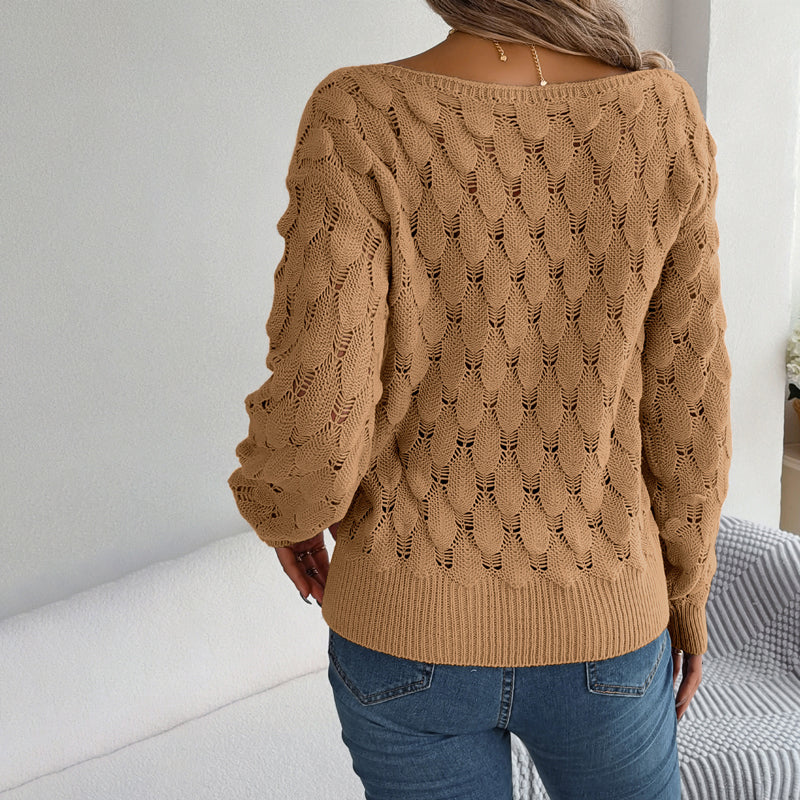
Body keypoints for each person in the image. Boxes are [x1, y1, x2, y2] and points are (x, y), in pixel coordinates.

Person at [227, 1, 732, 797]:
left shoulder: (357, 115)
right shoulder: (663, 117)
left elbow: (317, 414)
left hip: (403, 638)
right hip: (605, 630)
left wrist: (287, 515)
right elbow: (690, 406)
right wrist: (687, 595)